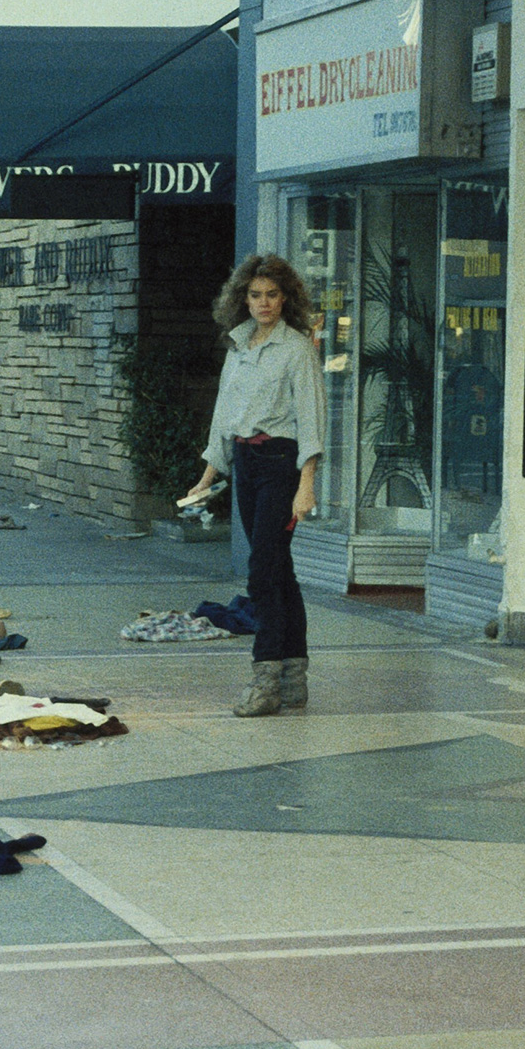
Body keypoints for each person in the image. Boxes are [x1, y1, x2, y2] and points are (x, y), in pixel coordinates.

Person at [180, 255, 327, 717]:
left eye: (273, 295)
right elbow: (224, 418)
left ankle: (265, 677)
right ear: (242, 299)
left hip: (282, 464)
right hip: (245, 462)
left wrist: (307, 485)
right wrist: (206, 478)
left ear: (287, 299)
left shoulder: (297, 349)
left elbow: (312, 421)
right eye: (256, 295)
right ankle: (294, 677)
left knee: (262, 568)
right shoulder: (238, 346)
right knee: (278, 570)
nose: (264, 303)